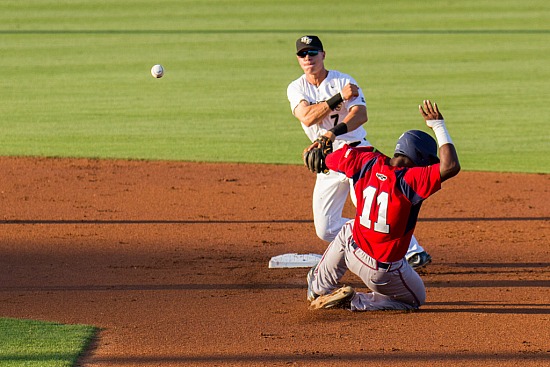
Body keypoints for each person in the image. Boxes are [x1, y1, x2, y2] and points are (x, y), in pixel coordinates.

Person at [287, 35, 432, 268]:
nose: (308, 57)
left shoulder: (343, 79)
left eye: (313, 52)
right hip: (329, 162)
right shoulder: (296, 88)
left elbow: (361, 115)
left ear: (323, 55)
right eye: (303, 54)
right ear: (298, 59)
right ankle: (366, 244)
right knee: (326, 228)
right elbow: (306, 116)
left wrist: (333, 132)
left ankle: (413, 252)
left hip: (358, 155)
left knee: (374, 209)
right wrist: (338, 98)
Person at [306, 100, 460, 311]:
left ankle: (317, 285)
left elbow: (326, 158)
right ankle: (355, 302)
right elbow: (450, 165)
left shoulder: (366, 160)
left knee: (348, 229)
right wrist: (439, 125)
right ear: (419, 157)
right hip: (381, 272)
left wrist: (318, 152)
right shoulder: (411, 180)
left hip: (353, 251)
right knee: (416, 300)